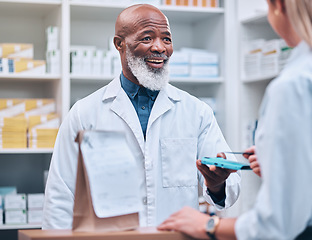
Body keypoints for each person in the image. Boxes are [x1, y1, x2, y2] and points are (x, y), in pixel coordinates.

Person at [158, 0, 312, 239]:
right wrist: (281, 166)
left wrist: (207, 225)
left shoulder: (296, 85)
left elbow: (275, 225)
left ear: (279, 6)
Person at [42, 4, 241, 229]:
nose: (159, 47)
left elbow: (231, 183)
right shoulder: (85, 112)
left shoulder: (196, 111)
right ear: (119, 44)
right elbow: (60, 195)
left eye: (166, 39)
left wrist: (217, 185)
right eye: (147, 38)